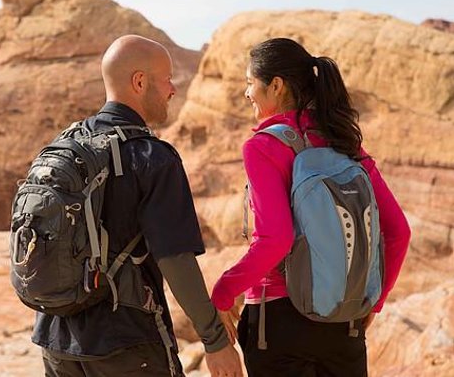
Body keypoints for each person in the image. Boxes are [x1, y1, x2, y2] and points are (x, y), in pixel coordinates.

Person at [31, 35, 242, 377]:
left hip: (56, 340)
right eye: (167, 79)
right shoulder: (151, 156)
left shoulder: (64, 146)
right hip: (126, 344)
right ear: (139, 82)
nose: (173, 89)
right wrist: (216, 341)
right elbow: (175, 260)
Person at [211, 37, 411, 377]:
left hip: (278, 323)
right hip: (343, 319)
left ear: (276, 85)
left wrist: (224, 290)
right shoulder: (344, 141)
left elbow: (276, 239)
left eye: (250, 83)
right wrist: (372, 303)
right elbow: (399, 232)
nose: (247, 93)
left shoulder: (263, 146)